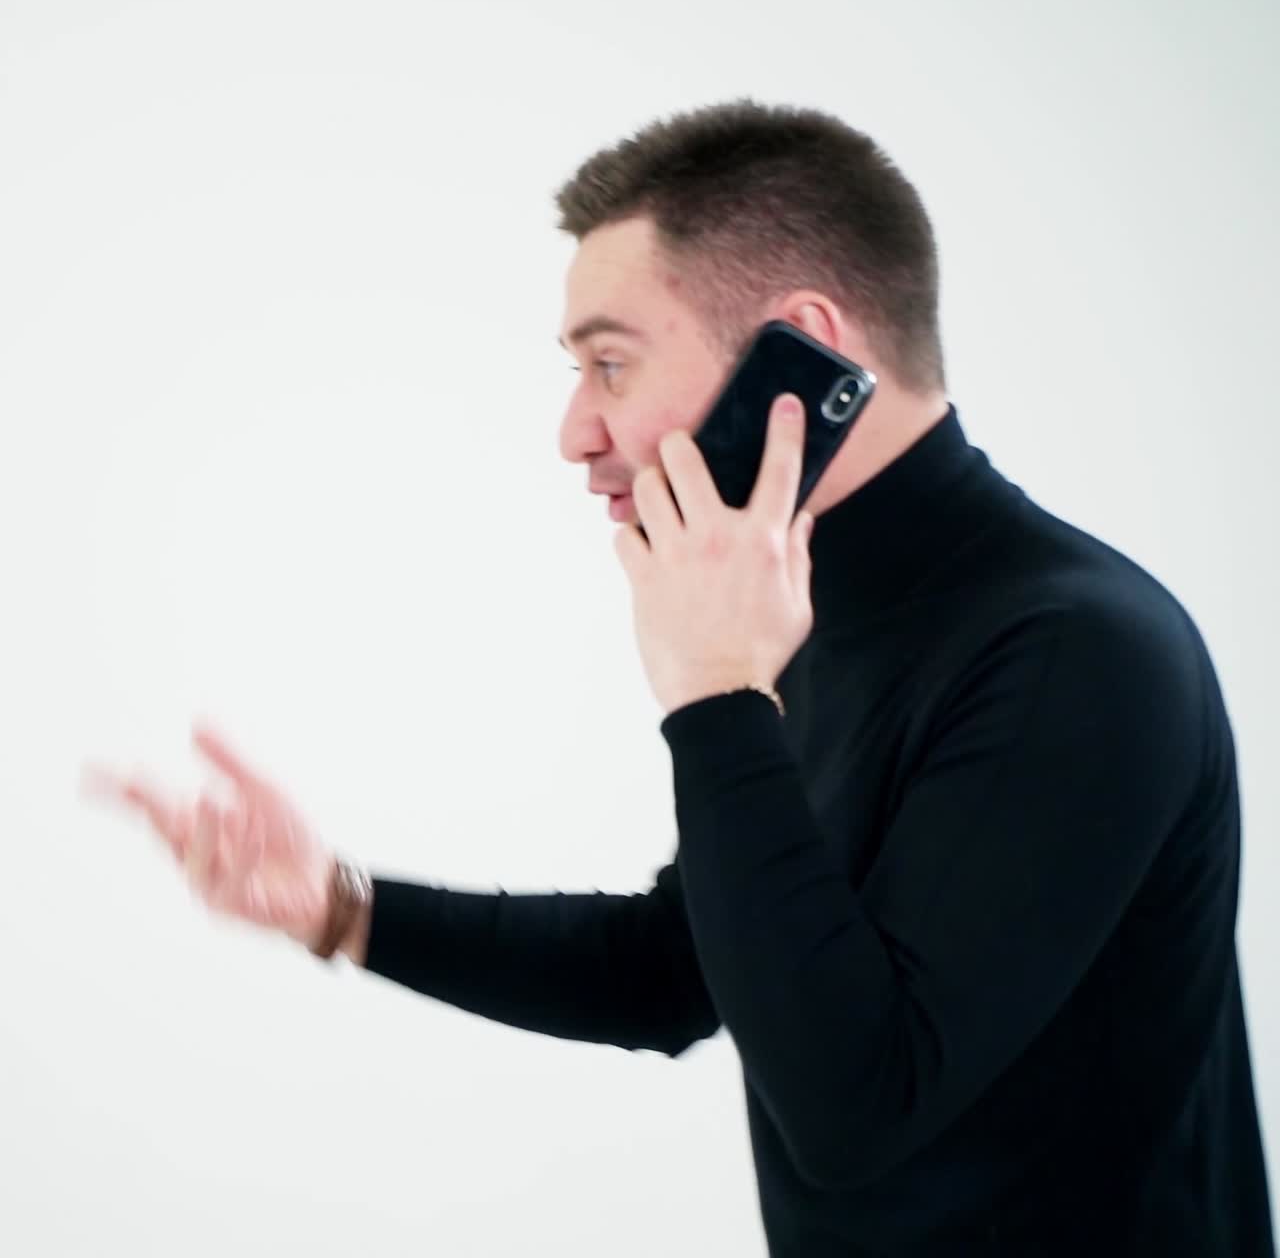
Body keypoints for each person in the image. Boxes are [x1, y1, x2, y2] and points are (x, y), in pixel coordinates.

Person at [82, 99, 1275, 1256]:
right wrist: (337, 905)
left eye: (609, 364)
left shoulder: (1075, 651)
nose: (571, 431)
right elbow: (681, 965)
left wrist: (712, 694)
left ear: (803, 347)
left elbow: (856, 1107)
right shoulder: (800, 613)